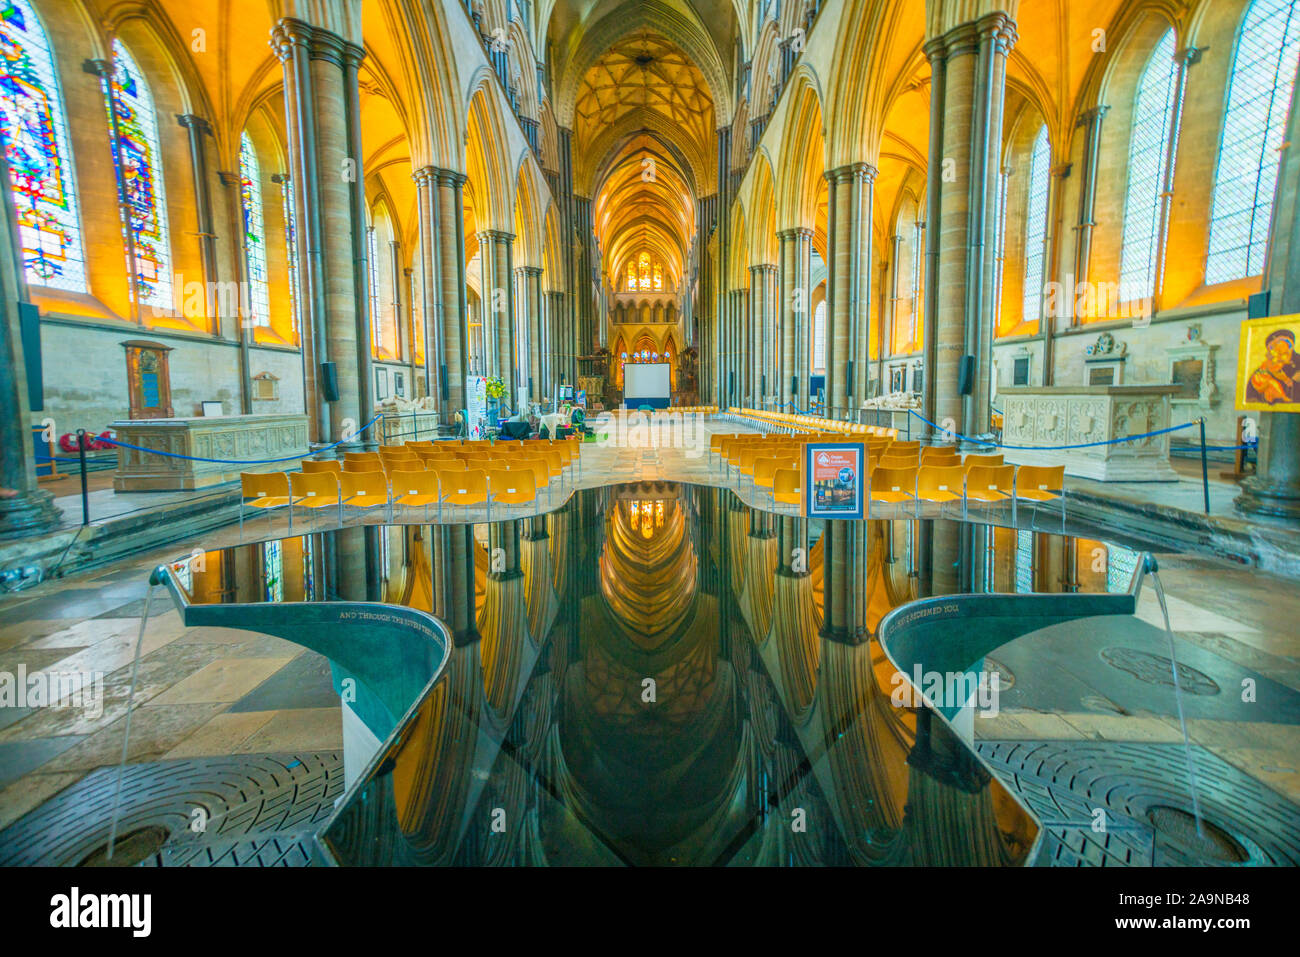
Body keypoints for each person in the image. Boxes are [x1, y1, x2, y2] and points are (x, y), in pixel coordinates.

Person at [1247, 328, 1300, 405]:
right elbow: (1251, 395)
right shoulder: (1268, 366)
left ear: (1290, 346)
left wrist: (1294, 382)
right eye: (1272, 348)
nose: (1278, 350)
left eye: (1281, 344)